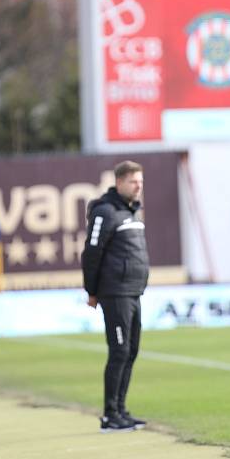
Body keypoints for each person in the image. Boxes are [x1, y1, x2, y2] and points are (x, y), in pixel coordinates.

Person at [81, 160, 150, 433]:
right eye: (134, 182)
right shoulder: (105, 212)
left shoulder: (131, 212)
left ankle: (121, 410)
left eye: (141, 183)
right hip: (115, 293)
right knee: (119, 351)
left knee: (130, 351)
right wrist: (92, 290)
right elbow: (91, 253)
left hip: (133, 292)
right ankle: (110, 415)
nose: (138, 187)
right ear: (119, 182)